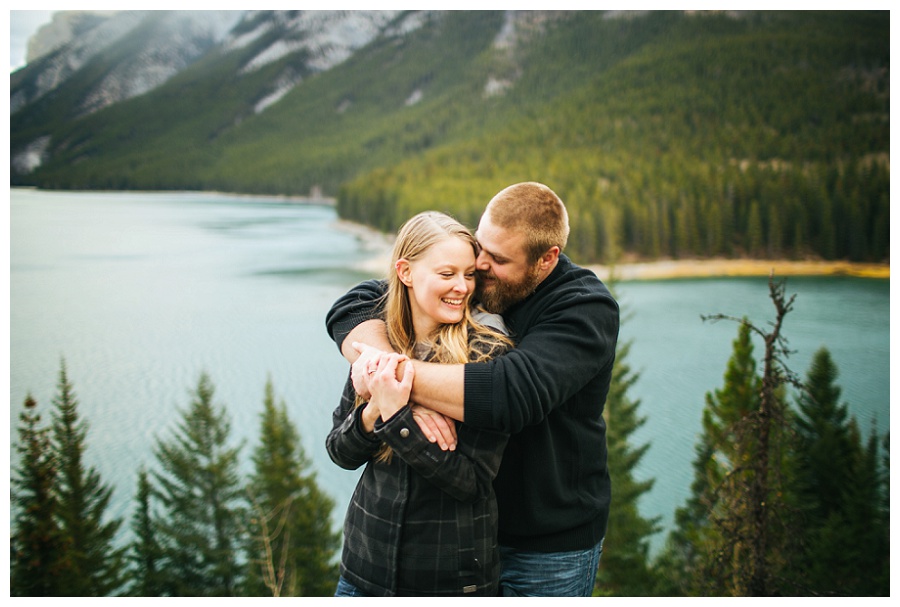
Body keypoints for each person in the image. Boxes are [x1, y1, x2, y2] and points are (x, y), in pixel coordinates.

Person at [326, 182, 619, 597]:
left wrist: (394, 386)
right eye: (479, 248)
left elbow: (510, 395)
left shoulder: (583, 308)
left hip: (545, 543)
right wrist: (385, 381)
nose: (478, 267)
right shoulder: (478, 280)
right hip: (457, 541)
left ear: (546, 259)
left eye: (497, 258)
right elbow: (354, 304)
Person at [325, 211, 513, 596]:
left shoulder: (488, 355)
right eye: (447, 274)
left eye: (469, 274)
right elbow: (340, 451)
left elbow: (472, 482)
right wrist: (375, 409)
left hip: (451, 581)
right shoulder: (379, 348)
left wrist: (397, 416)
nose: (462, 287)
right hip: (363, 572)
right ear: (405, 272)